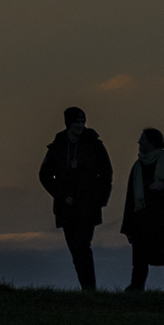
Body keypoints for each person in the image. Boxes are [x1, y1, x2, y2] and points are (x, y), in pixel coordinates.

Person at [39, 106, 113, 291]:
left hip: (88, 205)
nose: (80, 125)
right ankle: (86, 287)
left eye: (82, 122)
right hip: (66, 206)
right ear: (68, 124)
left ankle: (90, 289)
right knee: (75, 249)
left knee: (83, 246)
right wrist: (61, 194)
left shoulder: (94, 145)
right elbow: (45, 175)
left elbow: (106, 173)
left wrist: (100, 199)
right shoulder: (57, 147)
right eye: (76, 122)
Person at [119, 127, 164, 292]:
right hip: (143, 222)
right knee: (140, 260)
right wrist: (128, 228)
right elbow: (130, 198)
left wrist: (163, 186)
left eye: (142, 139)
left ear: (151, 142)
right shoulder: (138, 166)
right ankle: (136, 289)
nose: (139, 142)